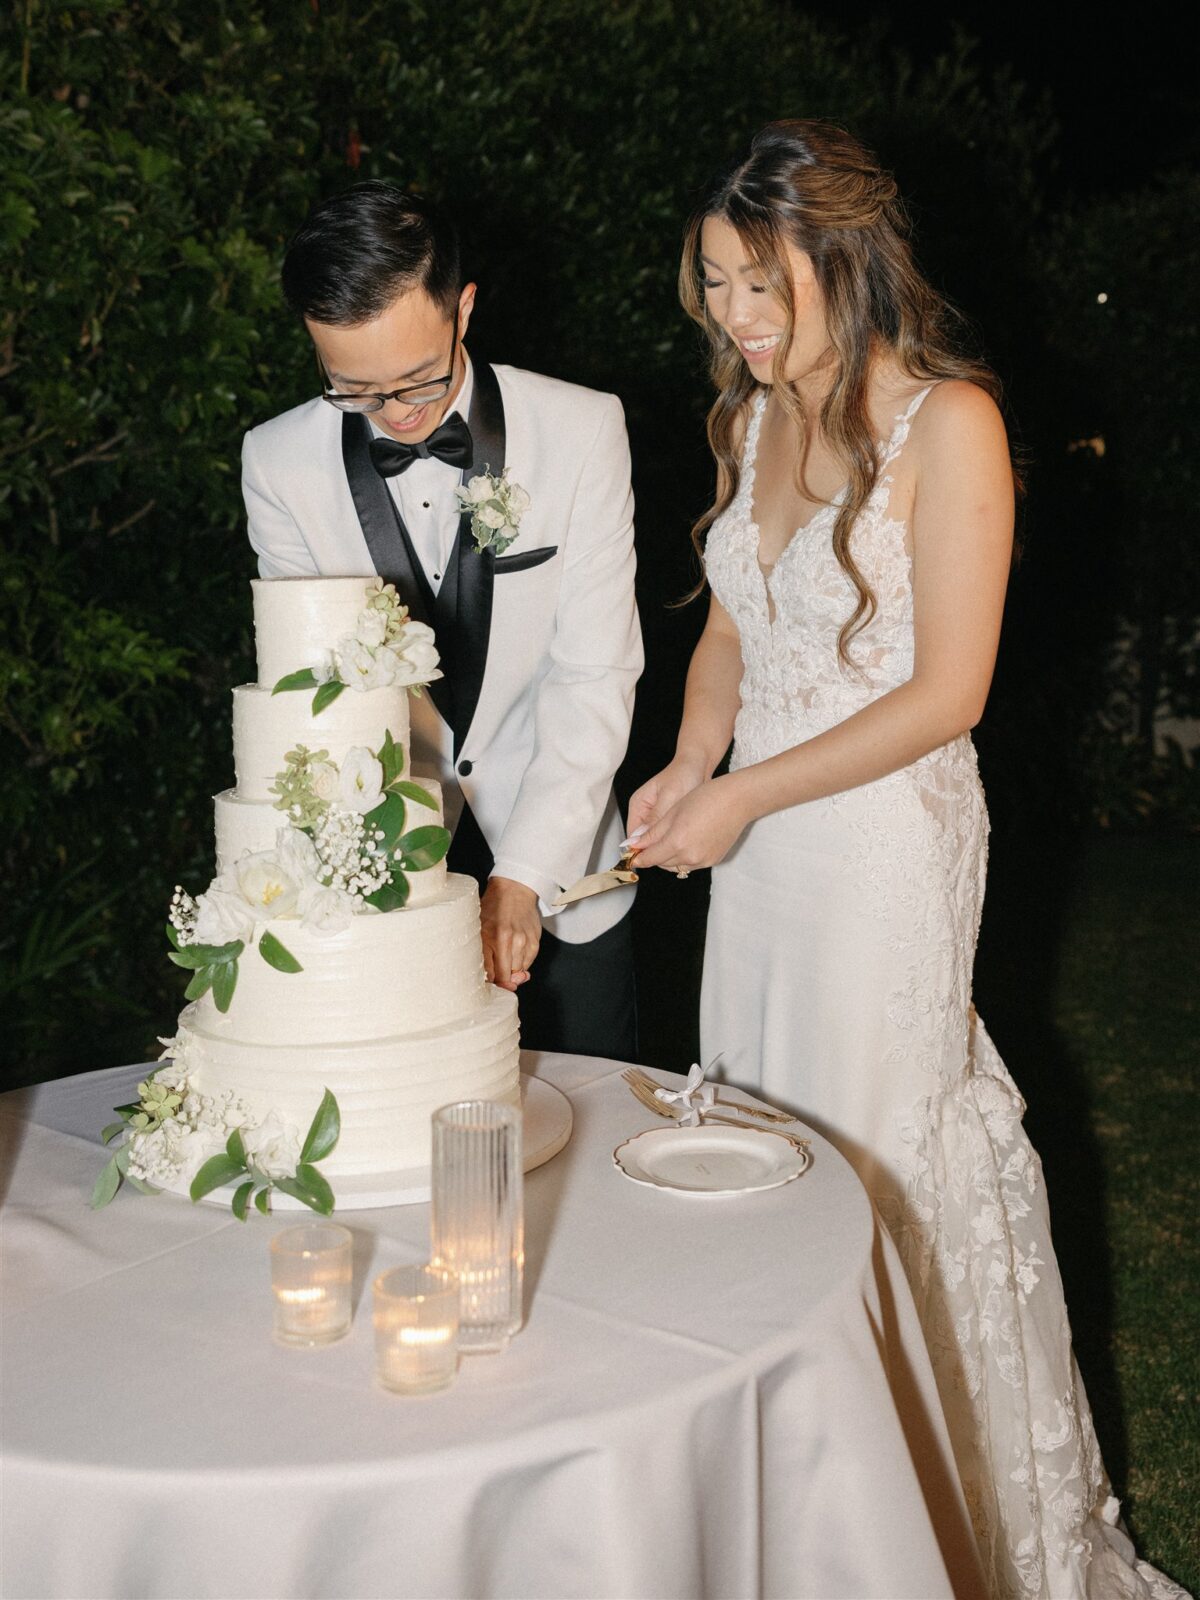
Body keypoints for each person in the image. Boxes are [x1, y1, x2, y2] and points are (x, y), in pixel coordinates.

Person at [627, 121, 1186, 1600]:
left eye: (762, 287)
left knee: (875, 1157)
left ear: (845, 260)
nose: (738, 324)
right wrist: (694, 763)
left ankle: (931, 1529)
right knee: (763, 1145)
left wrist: (747, 798)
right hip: (764, 859)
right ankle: (795, 1509)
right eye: (716, 290)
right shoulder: (750, 424)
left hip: (880, 853)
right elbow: (732, 629)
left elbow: (950, 694)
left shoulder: (955, 426)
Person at [244, 182, 641, 1059]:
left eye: (417, 377)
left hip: (565, 873)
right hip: (389, 884)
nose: (397, 412)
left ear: (463, 307)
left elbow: (594, 676)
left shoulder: (581, 430)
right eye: (354, 389)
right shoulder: (278, 465)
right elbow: (316, 697)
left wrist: (523, 876)